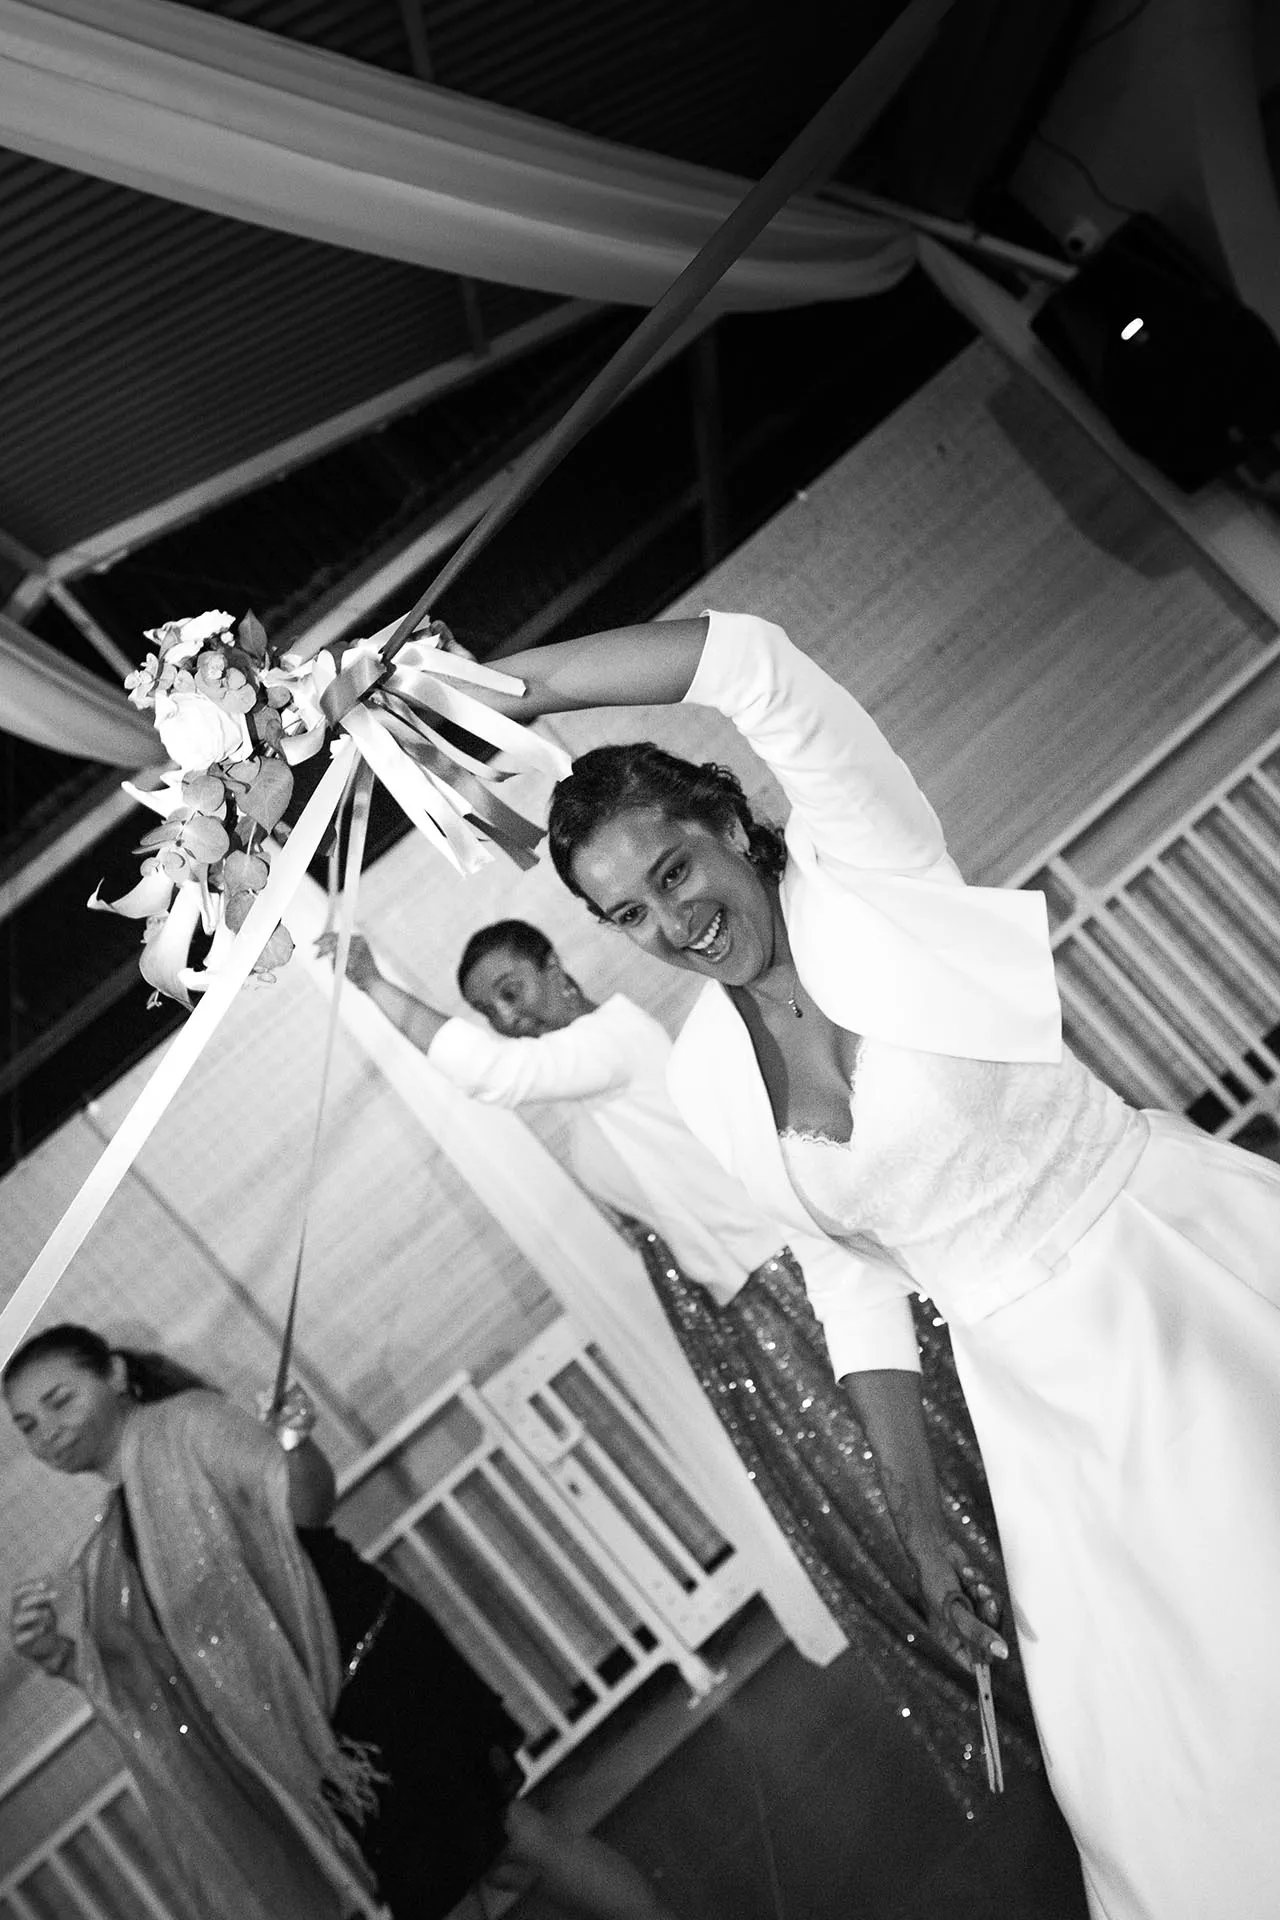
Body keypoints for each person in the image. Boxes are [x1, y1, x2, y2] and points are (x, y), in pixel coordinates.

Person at [447, 605, 1280, 1920]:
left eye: (674, 870)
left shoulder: (873, 870)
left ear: (728, 826)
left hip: (1156, 1270)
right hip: (1035, 1406)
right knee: (1174, 1757)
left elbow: (755, 664)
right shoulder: (711, 1080)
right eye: (629, 913)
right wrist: (918, 1521)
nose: (673, 921)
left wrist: (475, 695)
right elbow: (851, 1272)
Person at [326, 922, 1038, 1810]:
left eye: (511, 990)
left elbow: (496, 1076)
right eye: (488, 1010)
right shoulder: (585, 1099)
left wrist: (373, 985)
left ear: (555, 967)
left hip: (795, 1288)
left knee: (915, 1483)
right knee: (860, 1518)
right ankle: (1009, 1688)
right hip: (748, 1318)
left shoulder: (614, 1039)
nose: (507, 1018)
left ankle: (1037, 1645)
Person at [5, 1323, 684, 1920]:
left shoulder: (187, 1424)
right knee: (497, 1850)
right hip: (320, 1723)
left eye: (59, 1400)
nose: (47, 1431)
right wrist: (64, 1656)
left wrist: (294, 1443)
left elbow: (304, 1506)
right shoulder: (113, 1539)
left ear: (115, 1375)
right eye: (27, 1424)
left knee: (495, 1846)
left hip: (367, 1668)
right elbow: (163, 1669)